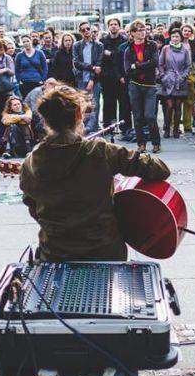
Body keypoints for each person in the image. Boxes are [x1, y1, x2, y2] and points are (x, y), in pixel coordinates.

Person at [18, 84, 170, 262]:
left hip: (55, 253)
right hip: (105, 252)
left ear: (46, 120)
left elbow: (33, 208)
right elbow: (159, 169)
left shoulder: (31, 162)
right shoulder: (100, 151)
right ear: (79, 115)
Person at [123, 20, 161, 153]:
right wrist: (145, 65)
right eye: (139, 30)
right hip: (135, 86)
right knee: (138, 117)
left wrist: (137, 65)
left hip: (150, 85)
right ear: (132, 33)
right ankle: (141, 144)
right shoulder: (128, 49)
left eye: (144, 29)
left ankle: (156, 142)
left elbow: (155, 62)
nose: (142, 32)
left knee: (150, 115)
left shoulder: (152, 45)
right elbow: (128, 70)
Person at [158, 28, 192, 139]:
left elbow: (188, 66)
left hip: (180, 80)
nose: (175, 39)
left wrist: (183, 76)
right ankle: (167, 128)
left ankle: (176, 129)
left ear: (180, 38)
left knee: (178, 105)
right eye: (173, 36)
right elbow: (160, 64)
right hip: (168, 79)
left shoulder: (185, 50)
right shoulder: (165, 48)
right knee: (169, 105)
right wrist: (163, 76)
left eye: (177, 36)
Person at [72, 22, 104, 128]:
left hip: (95, 80)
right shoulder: (77, 45)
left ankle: (94, 127)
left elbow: (99, 64)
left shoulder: (99, 46)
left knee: (95, 104)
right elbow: (76, 63)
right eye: (83, 29)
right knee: (83, 105)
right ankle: (84, 128)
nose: (86, 31)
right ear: (80, 32)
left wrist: (92, 79)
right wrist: (92, 67)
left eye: (88, 29)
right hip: (81, 79)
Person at [100, 18, 126, 127]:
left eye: (116, 24)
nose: (113, 26)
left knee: (123, 103)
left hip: (121, 76)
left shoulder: (125, 40)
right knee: (108, 103)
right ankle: (108, 126)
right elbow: (101, 57)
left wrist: (110, 54)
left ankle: (124, 127)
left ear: (119, 26)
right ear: (108, 27)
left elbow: (123, 57)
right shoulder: (103, 41)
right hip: (107, 77)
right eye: (111, 24)